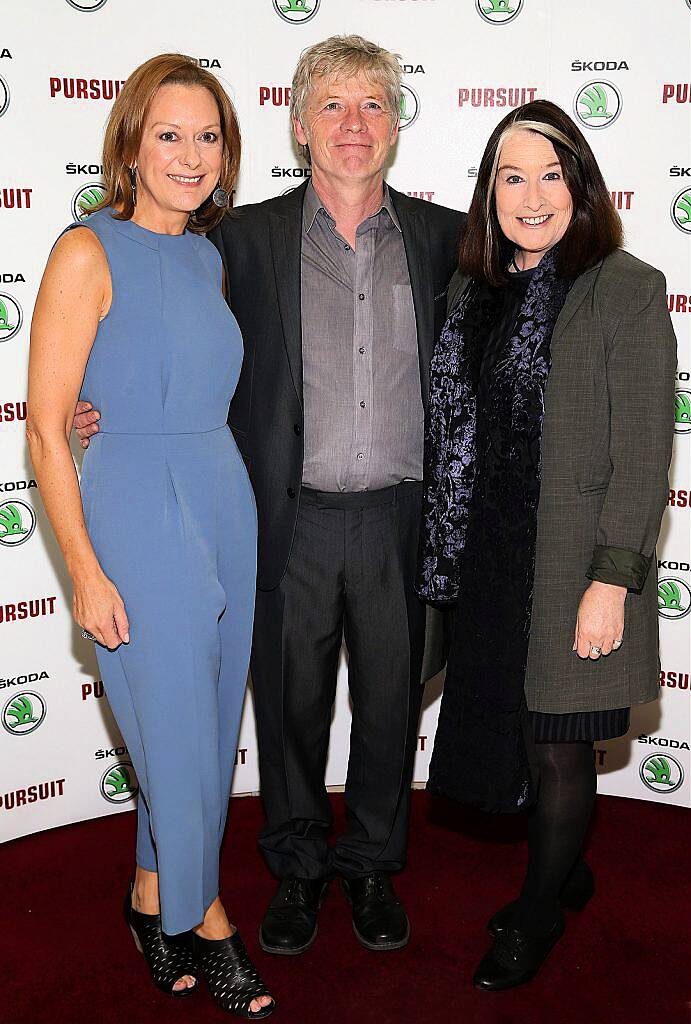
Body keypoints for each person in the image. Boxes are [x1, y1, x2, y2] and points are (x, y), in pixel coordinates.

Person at [76, 34, 464, 955]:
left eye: (372, 104)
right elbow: (158, 324)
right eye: (331, 105)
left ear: (396, 124)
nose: (353, 124)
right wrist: (100, 406)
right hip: (278, 520)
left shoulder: (444, 238)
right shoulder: (234, 243)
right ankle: (295, 870)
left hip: (397, 518)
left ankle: (370, 865)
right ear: (297, 124)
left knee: (387, 704)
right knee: (287, 708)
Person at [27, 54, 274, 1019]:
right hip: (134, 503)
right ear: (128, 143)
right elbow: (47, 425)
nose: (189, 154)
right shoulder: (84, 250)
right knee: (170, 726)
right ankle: (204, 918)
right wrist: (83, 570)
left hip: (222, 496)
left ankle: (146, 894)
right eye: (167, 133)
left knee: (207, 729)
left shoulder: (207, 257)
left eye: (208, 136)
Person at [418, 99, 677, 991]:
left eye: (550, 175)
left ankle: (537, 912)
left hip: (575, 565)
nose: (531, 196)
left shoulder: (625, 286)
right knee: (523, 738)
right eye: (510, 176)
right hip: (491, 560)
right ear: (488, 191)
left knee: (562, 746)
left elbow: (646, 451)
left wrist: (611, 582)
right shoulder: (473, 291)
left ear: (582, 186)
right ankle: (561, 873)